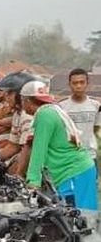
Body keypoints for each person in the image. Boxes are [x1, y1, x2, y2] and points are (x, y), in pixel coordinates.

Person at [23, 81, 97, 212]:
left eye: (22, 100)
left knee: (83, 216)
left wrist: (33, 181)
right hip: (70, 170)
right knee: (71, 217)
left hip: (74, 170)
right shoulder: (53, 110)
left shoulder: (45, 115)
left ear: (27, 100)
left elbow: (39, 150)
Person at [0, 72, 36, 177]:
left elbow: (28, 150)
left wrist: (18, 175)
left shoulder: (27, 116)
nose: (6, 97)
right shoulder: (18, 114)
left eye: (10, 93)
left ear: (21, 94)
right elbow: (13, 146)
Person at [57, 68, 101, 161]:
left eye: (82, 82)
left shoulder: (96, 106)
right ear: (69, 85)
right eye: (75, 83)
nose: (78, 86)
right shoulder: (61, 106)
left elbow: (96, 129)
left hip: (90, 156)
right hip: (69, 157)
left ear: (87, 84)